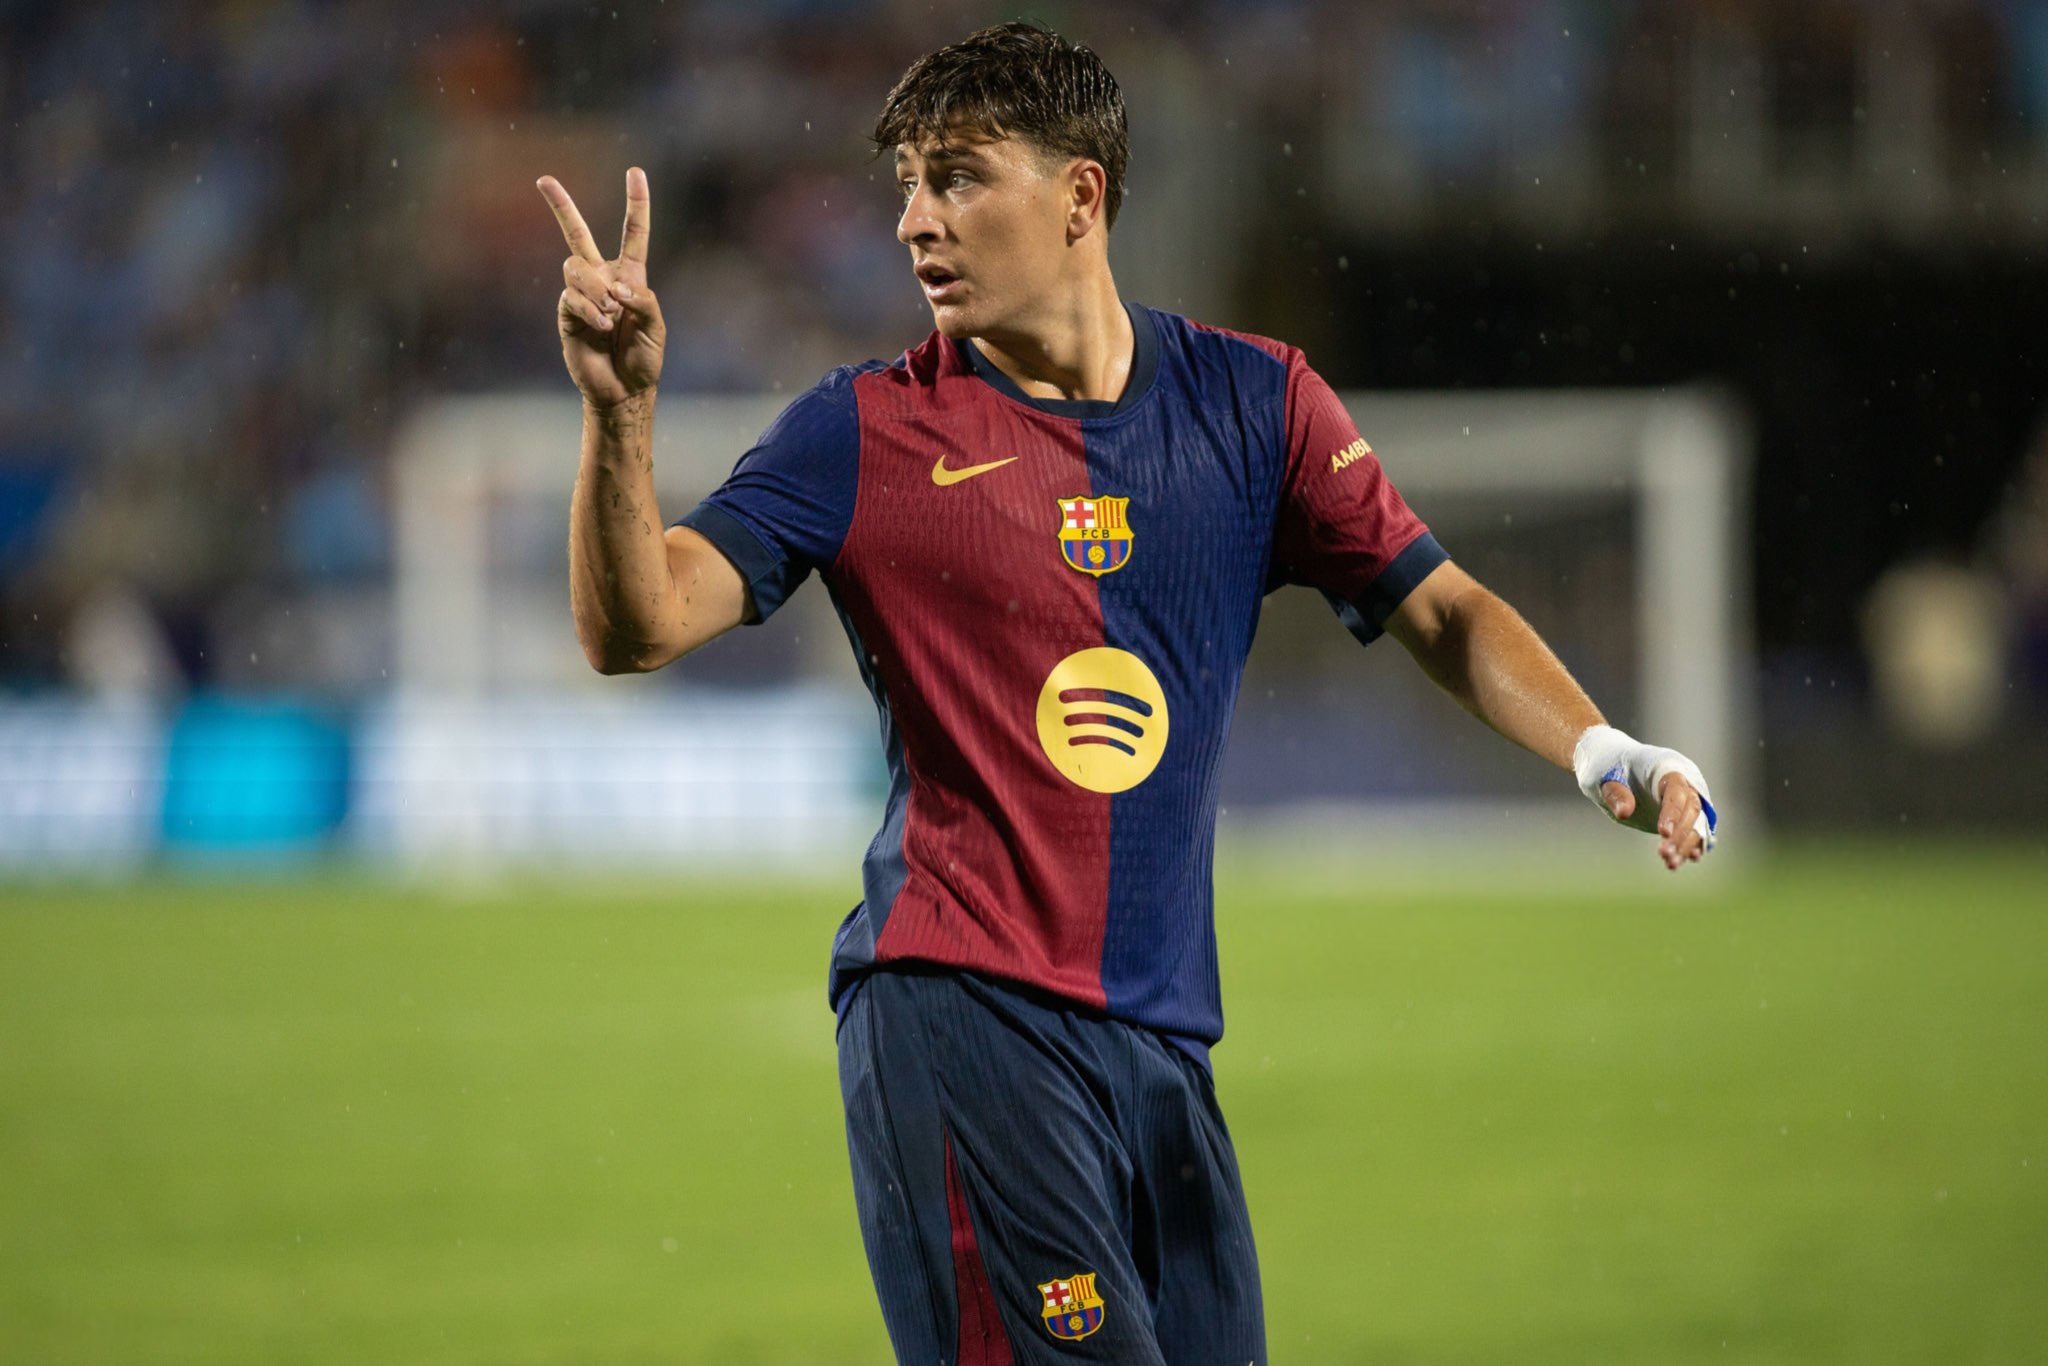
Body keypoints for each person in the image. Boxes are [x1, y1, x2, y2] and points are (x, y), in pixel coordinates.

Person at [538, 22, 1716, 1365]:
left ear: (1080, 196)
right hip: (962, 1014)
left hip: (1163, 1042)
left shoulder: (1257, 404)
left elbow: (1439, 604)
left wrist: (1600, 747)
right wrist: (618, 414)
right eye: (908, 185)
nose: (916, 221)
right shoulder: (861, 432)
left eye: (960, 177)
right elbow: (636, 626)